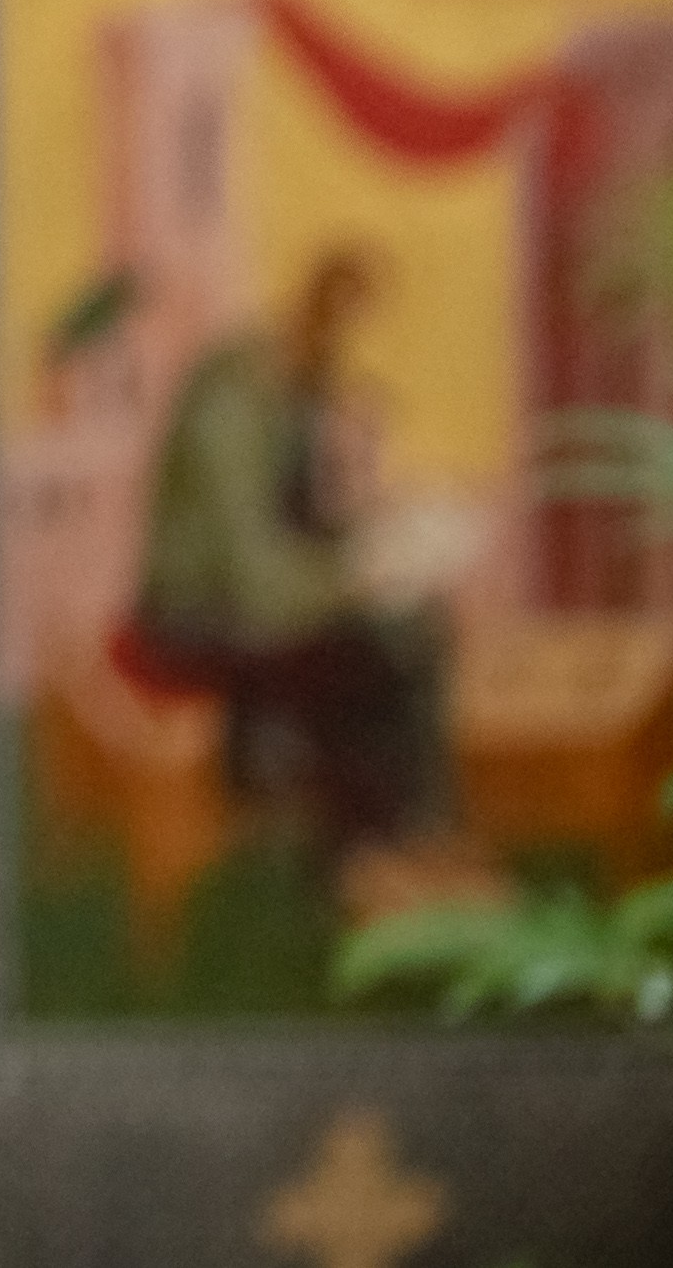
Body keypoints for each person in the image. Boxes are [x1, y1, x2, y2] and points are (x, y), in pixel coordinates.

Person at [116, 245, 459, 912]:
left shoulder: (298, 392)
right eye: (342, 329)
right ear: (312, 312)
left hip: (263, 600)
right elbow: (251, 571)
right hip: (194, 617)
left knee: (416, 629)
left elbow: (307, 520)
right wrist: (356, 577)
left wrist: (381, 537)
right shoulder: (232, 402)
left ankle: (416, 837)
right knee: (360, 655)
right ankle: (355, 862)